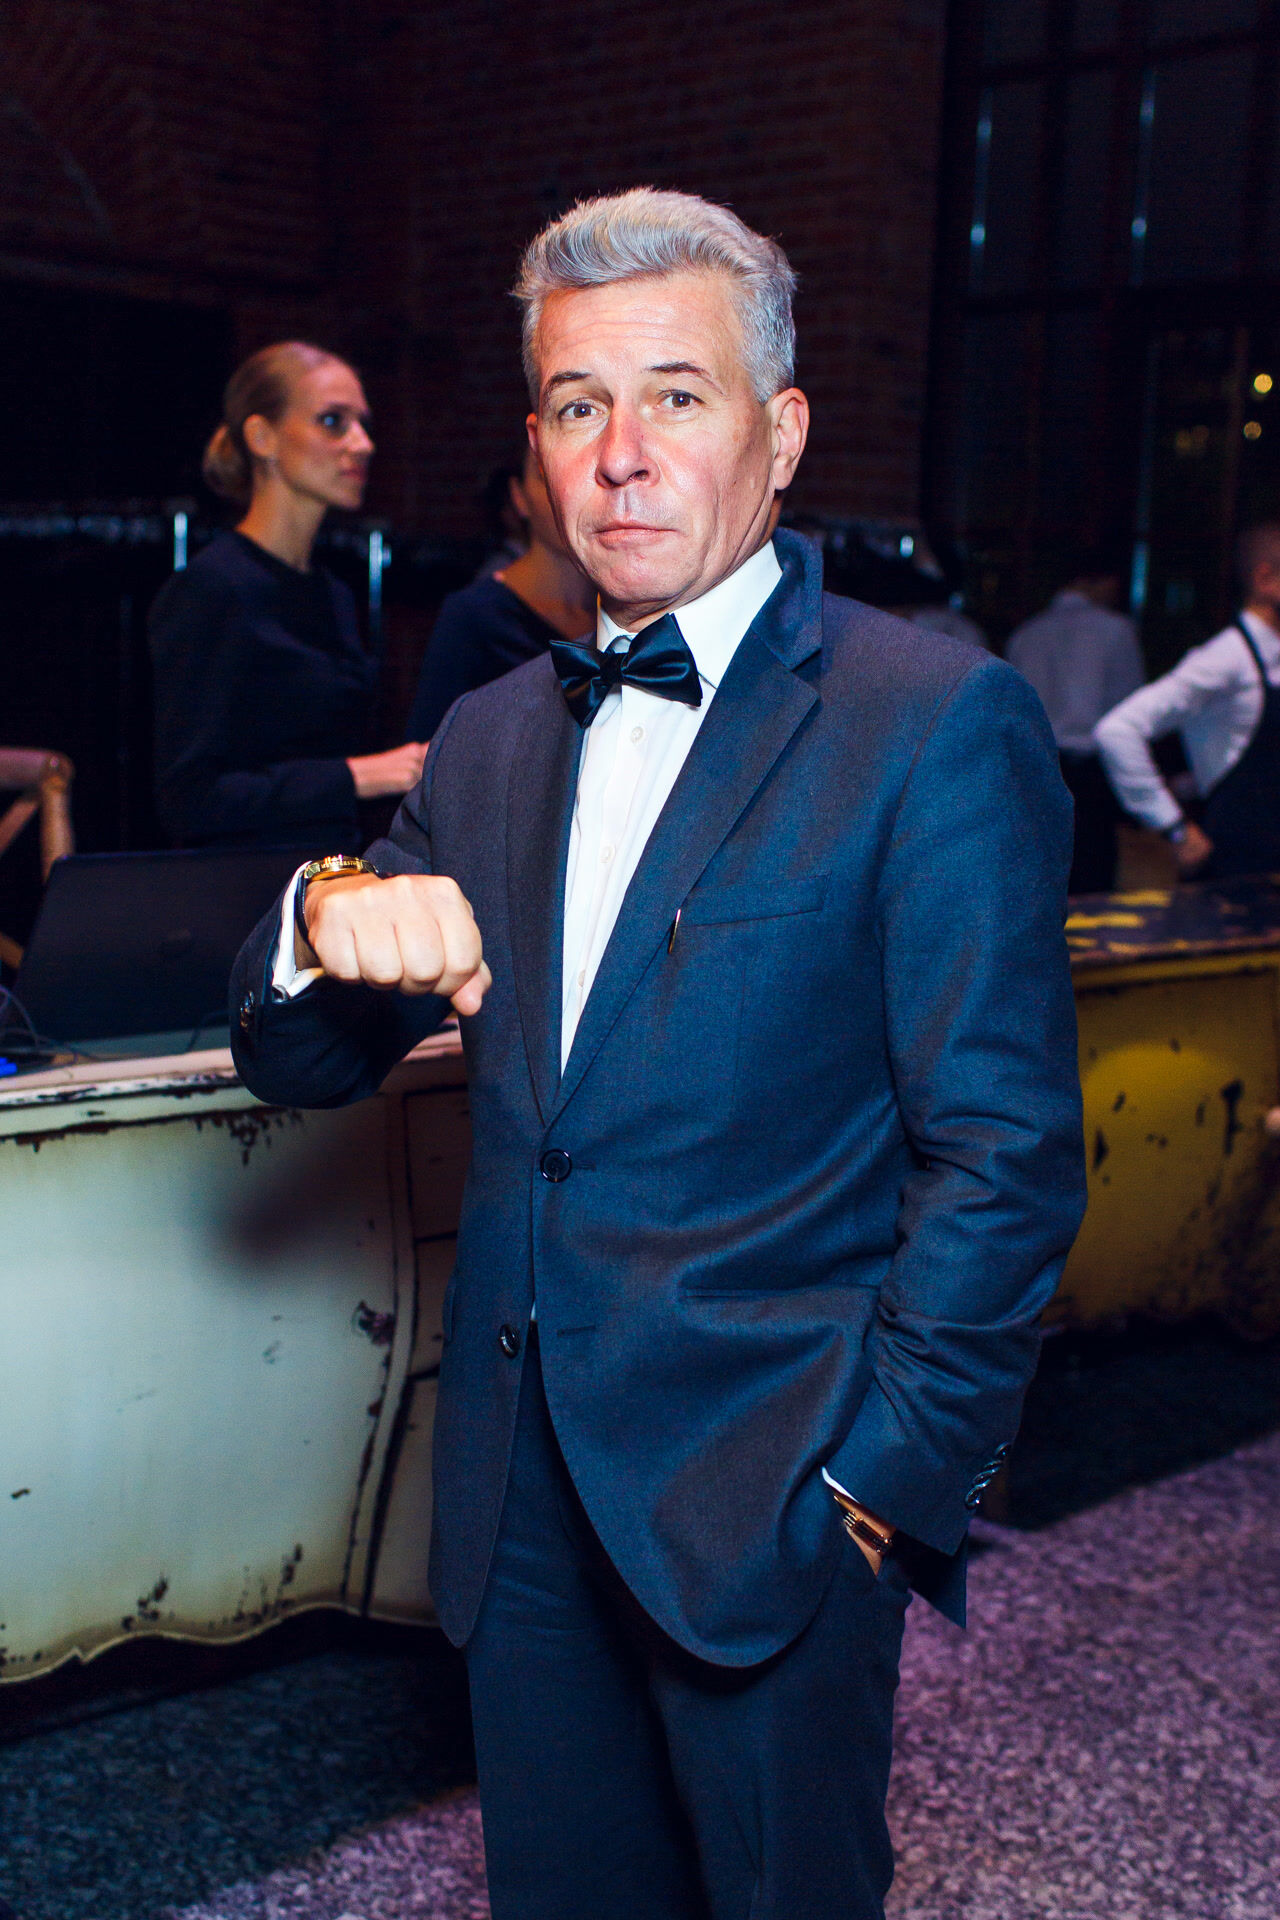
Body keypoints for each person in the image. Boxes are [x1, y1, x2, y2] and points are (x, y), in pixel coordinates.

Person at [230, 189, 1085, 1920]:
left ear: (782, 435)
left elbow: (1007, 1159)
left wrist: (880, 1490)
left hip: (778, 1501)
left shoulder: (932, 720)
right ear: (538, 447)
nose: (620, 453)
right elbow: (297, 1060)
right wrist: (321, 916)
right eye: (576, 404)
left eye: (676, 396)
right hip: (520, 1511)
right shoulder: (487, 736)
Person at [149, 341, 426, 850]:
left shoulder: (333, 594)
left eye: (363, 424)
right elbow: (188, 799)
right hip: (247, 886)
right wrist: (359, 776)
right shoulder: (213, 589)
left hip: (331, 874)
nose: (363, 443)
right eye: (332, 421)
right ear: (262, 437)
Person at [1095, 524, 1280, 882]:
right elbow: (1117, 730)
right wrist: (1174, 825)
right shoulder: (1226, 657)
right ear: (1265, 578)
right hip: (1234, 870)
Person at [407, 442, 596, 740]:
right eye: (547, 474)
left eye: (584, 471)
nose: (567, 491)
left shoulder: (628, 613)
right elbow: (431, 749)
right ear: (519, 497)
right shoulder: (474, 616)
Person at [1005, 557, 1144, 893]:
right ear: (1098, 581)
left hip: (1036, 765)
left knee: (1039, 875)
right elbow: (1130, 705)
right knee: (1092, 877)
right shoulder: (1116, 630)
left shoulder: (1026, 633)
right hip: (1091, 769)